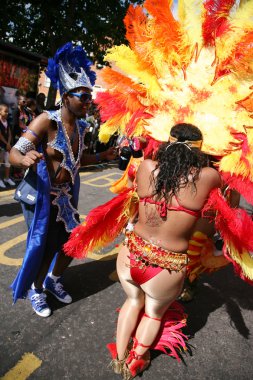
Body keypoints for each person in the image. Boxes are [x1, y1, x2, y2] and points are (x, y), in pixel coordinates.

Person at [9, 42, 117, 317]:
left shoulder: (80, 127)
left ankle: (53, 280)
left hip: (67, 196)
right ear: (66, 96)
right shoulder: (47, 121)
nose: (86, 101)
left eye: (89, 97)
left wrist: (104, 155)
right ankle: (36, 290)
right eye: (82, 96)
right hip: (45, 196)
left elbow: (77, 161)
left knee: (73, 243)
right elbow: (14, 152)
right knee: (45, 247)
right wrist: (24, 160)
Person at [107, 123, 221, 378]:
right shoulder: (208, 177)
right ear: (199, 152)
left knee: (132, 301)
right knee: (153, 315)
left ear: (167, 144)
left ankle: (119, 357)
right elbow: (226, 188)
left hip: (130, 255)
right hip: (166, 268)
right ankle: (135, 361)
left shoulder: (147, 168)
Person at [0, 104, 15, 188]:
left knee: (7, 162)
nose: (7, 113)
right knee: (0, 162)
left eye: (7, 111)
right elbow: (0, 135)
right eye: (5, 111)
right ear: (0, 111)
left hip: (7, 145)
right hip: (1, 145)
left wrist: (9, 143)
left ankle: (6, 178)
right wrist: (6, 144)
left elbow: (9, 133)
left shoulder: (7, 121)